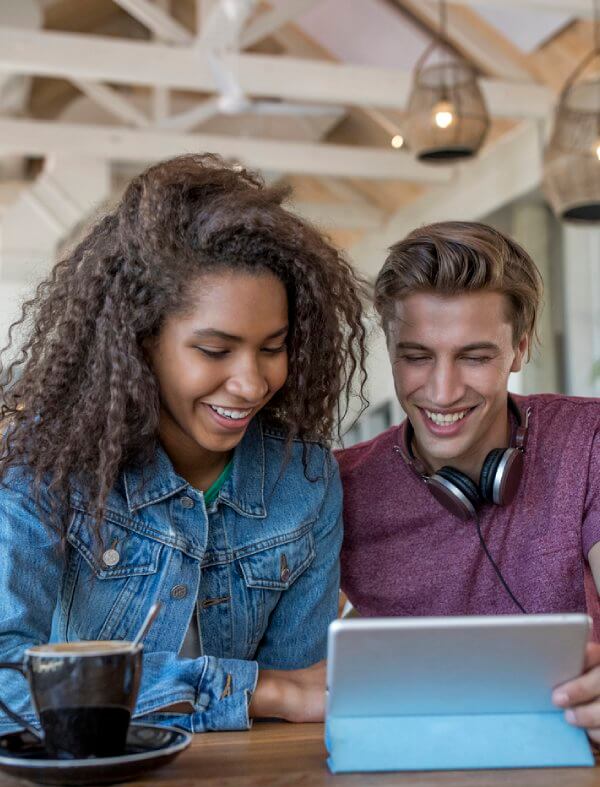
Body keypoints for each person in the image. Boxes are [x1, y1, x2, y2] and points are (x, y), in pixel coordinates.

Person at [0, 154, 367, 734]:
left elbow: (304, 694)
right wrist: (251, 691)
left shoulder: (304, 481)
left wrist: (275, 695)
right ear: (140, 343)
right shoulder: (49, 465)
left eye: (272, 347)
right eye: (215, 351)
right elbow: (3, 677)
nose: (251, 383)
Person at [337, 221, 600, 743]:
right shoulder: (338, 487)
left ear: (520, 349)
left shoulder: (587, 440)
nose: (442, 390)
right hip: (402, 757)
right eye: (416, 357)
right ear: (390, 351)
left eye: (475, 357)